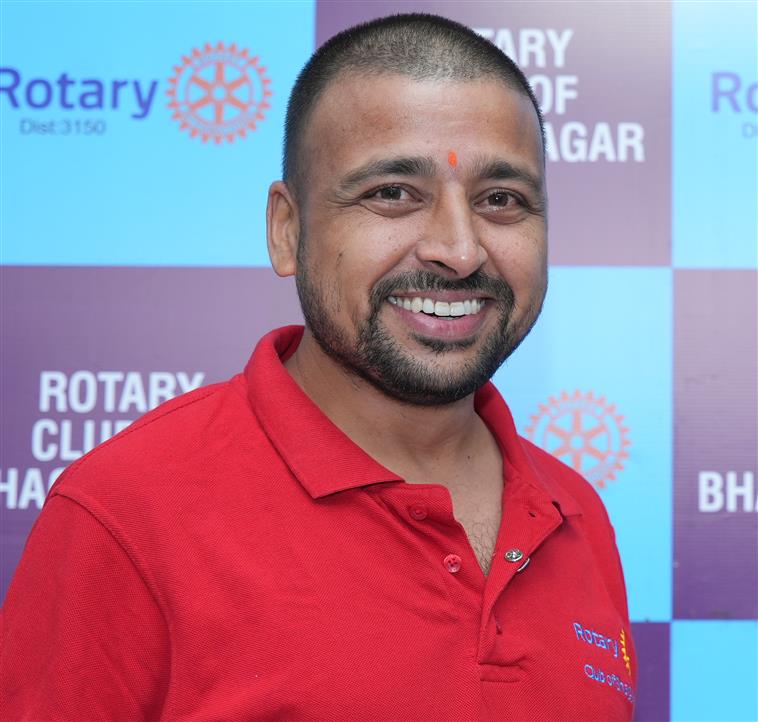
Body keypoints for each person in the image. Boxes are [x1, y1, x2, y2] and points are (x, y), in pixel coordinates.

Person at [1, 13, 636, 721]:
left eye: (501, 200)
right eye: (392, 193)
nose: (460, 250)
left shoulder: (577, 514)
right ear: (288, 230)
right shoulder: (124, 513)